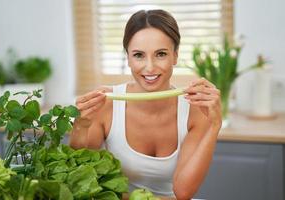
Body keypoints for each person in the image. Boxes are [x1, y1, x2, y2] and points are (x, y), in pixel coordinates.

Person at [70, 9, 222, 200]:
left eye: (160, 54)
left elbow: (183, 192)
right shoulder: (107, 102)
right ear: (128, 58)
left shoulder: (194, 108)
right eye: (139, 55)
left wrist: (215, 125)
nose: (149, 67)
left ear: (175, 55)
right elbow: (79, 174)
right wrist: (80, 126)